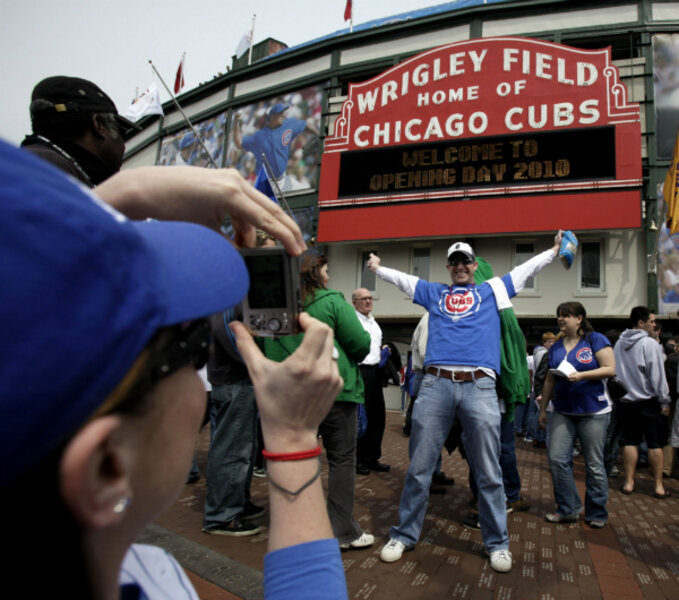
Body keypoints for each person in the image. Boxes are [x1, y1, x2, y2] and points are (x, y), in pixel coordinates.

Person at [1, 139, 348, 599]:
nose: (197, 334)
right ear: (107, 469)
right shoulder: (156, 579)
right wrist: (293, 438)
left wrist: (112, 200)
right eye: (186, 342)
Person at [373, 232, 564, 573]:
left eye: (466, 261)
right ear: (449, 268)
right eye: (455, 262)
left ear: (475, 267)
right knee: (419, 467)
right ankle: (403, 534)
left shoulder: (493, 290)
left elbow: (527, 268)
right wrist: (377, 268)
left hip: (479, 387)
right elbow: (405, 280)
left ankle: (497, 543)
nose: (461, 266)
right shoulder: (435, 293)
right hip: (435, 384)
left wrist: (552, 250)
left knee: (489, 469)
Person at [263, 254, 374, 551]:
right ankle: (342, 531)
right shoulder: (333, 301)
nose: (327, 278)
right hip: (335, 392)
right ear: (313, 275)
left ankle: (297, 527)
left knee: (296, 460)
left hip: (292, 396)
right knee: (342, 459)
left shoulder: (277, 307)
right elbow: (361, 344)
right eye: (325, 272)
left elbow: (268, 353)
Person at [538, 302, 615, 529]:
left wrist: (581, 376)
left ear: (579, 318)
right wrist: (543, 410)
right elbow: (550, 379)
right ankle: (568, 508)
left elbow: (610, 369)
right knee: (557, 459)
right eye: (559, 316)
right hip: (563, 409)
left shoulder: (595, 339)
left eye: (566, 316)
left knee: (593, 464)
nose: (561, 319)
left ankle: (597, 512)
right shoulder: (557, 347)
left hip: (594, 411)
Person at [20, 75, 138, 187]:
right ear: (98, 125)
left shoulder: (28, 162)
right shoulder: (52, 172)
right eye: (122, 132)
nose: (123, 144)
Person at [614, 306, 671, 498]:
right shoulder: (649, 344)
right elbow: (657, 374)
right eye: (652, 321)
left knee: (630, 442)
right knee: (655, 444)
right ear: (641, 323)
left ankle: (628, 482)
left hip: (626, 400)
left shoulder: (619, 343)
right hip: (648, 401)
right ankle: (658, 486)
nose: (654, 325)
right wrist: (664, 401)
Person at [233, 102, 318, 193]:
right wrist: (236, 123)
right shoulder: (259, 136)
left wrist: (319, 134)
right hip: (267, 184)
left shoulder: (289, 124)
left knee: (307, 195)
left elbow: (306, 126)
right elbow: (238, 143)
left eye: (283, 112)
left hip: (283, 180)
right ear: (272, 117)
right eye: (280, 113)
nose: (283, 115)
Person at [352, 287, 391, 474]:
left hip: (375, 372)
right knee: (360, 417)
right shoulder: (352, 322)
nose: (368, 301)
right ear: (354, 303)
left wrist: (383, 349)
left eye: (369, 298)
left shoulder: (374, 323)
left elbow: (375, 345)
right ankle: (357, 460)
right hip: (359, 372)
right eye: (363, 299)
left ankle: (371, 458)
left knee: (377, 417)